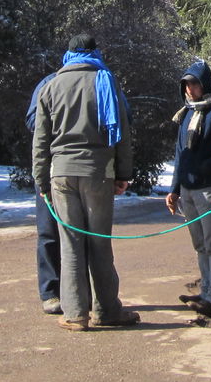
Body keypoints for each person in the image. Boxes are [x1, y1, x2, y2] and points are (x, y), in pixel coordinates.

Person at [31, 33, 139, 331]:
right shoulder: (106, 81)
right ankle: (106, 311)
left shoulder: (50, 86)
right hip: (98, 173)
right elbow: (123, 133)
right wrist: (123, 173)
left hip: (61, 174)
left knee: (71, 244)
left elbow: (40, 141)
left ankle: (75, 313)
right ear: (95, 52)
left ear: (68, 54)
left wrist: (41, 181)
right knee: (99, 244)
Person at [166, 59, 211, 319]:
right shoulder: (186, 113)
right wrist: (174, 189)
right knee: (199, 243)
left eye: (193, 83)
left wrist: (206, 166)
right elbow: (179, 153)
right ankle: (206, 292)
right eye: (185, 83)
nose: (189, 88)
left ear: (204, 84)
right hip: (187, 190)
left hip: (208, 188)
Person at [25, 69, 62, 314]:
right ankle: (50, 293)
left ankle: (83, 294)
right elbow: (31, 121)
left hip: (86, 170)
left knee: (85, 235)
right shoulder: (48, 83)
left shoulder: (102, 80)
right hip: (50, 169)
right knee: (48, 232)